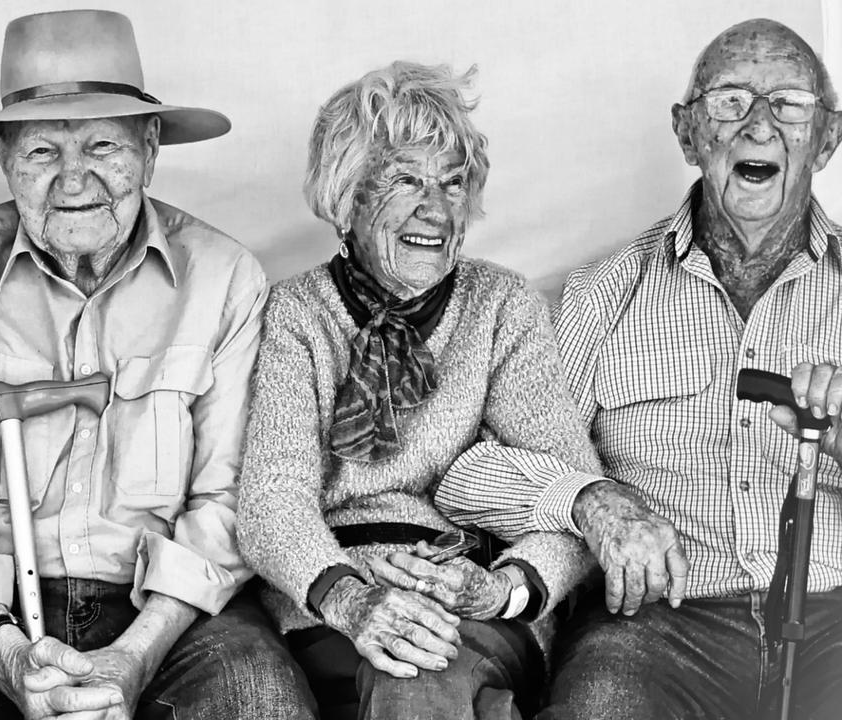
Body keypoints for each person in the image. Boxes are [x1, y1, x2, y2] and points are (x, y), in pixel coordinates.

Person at [0, 9, 314, 720]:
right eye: (43, 152)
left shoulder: (225, 279)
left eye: (104, 144)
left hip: (170, 609)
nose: (75, 178)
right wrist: (5, 648)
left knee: (260, 701)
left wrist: (134, 656)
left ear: (150, 147)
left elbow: (226, 501)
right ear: (4, 158)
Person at [237, 60, 615, 720]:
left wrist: (504, 590)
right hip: (331, 603)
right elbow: (272, 498)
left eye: (452, 184)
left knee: (422, 677)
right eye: (406, 180)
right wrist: (351, 599)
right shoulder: (297, 313)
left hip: (476, 601)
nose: (435, 209)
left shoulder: (500, 306)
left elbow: (574, 494)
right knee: (409, 674)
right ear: (347, 194)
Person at [538, 18, 842, 720]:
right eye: (729, 101)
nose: (758, 127)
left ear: (826, 138)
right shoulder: (600, 293)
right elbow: (524, 457)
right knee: (599, 704)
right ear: (687, 132)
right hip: (659, 630)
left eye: (790, 104)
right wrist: (594, 500)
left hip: (833, 619)